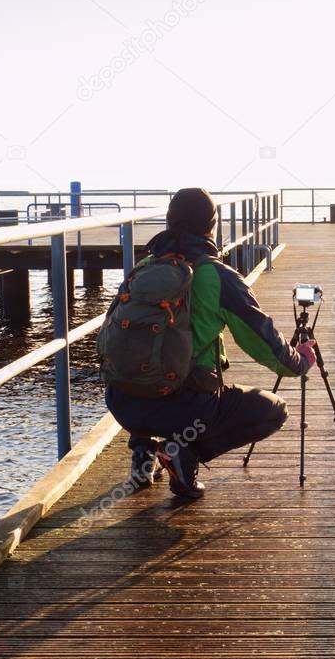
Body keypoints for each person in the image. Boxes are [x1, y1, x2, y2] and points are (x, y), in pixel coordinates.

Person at [104, 188, 316, 498]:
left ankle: (143, 455)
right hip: (185, 408)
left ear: (168, 220)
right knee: (273, 411)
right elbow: (261, 339)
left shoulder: (144, 267)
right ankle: (181, 453)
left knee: (147, 355)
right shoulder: (217, 276)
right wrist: (299, 360)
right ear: (212, 227)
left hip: (122, 403)